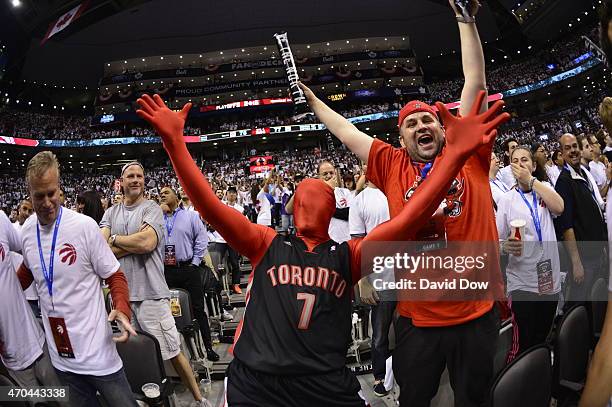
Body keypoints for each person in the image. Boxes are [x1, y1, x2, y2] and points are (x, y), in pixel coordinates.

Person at [135, 89, 508, 406]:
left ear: (333, 209)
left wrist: (455, 156)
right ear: (292, 208)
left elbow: (410, 218)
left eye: (321, 193)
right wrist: (173, 145)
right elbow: (209, 206)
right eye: (303, 195)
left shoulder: (345, 253)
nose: (311, 196)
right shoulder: (268, 242)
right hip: (257, 380)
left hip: (324, 380)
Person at [299, 0, 508, 404]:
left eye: (428, 119)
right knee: (414, 399)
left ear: (443, 129)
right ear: (401, 139)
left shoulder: (467, 153)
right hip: (419, 320)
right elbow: (346, 132)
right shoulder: (392, 165)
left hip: (476, 314)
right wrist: (313, 103)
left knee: (476, 400)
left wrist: (466, 21)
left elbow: (474, 81)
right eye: (411, 124)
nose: (421, 126)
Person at [16, 151, 138, 407]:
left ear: (60, 189)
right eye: (40, 196)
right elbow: (27, 273)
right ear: (29, 194)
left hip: (99, 357)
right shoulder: (27, 232)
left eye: (52, 193)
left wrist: (122, 310)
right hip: (61, 362)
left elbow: (115, 275)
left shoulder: (84, 227)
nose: (48, 202)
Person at [100, 161, 210, 406]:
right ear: (121, 180)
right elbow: (101, 249)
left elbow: (147, 243)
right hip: (123, 299)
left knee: (171, 352)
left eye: (140, 175)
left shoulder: (152, 208)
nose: (136, 179)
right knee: (135, 358)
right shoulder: (110, 213)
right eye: (131, 176)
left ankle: (199, 399)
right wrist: (131, 244)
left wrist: (117, 240)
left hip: (152, 294)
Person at [496, 147, 564, 354]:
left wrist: (531, 181)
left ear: (534, 166)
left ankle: (540, 377)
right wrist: (504, 246)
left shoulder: (543, 188)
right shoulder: (507, 200)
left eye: (525, 160)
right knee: (525, 343)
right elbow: (496, 239)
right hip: (522, 283)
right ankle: (524, 383)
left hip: (548, 279)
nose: (520, 164)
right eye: (515, 161)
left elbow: (560, 207)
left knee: (542, 336)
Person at [0, 209, 66, 406]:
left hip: (36, 340)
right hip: (11, 358)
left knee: (63, 397)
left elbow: (28, 248)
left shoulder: (0, 219)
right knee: (36, 404)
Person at [159, 186, 219, 362]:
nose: (162, 195)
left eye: (166, 193)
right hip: (166, 270)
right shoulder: (156, 218)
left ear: (176, 197)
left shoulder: (191, 216)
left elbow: (201, 240)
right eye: (160, 194)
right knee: (169, 312)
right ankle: (177, 353)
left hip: (188, 269)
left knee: (198, 309)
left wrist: (193, 264)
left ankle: (208, 347)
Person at [349, 180, 394, 397]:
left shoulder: (398, 189)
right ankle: (379, 377)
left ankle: (404, 375)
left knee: (410, 331)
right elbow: (357, 244)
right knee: (379, 335)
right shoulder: (360, 200)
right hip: (379, 277)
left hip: (407, 274)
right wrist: (363, 279)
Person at [555, 134, 607, 304]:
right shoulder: (563, 182)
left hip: (597, 250)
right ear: (561, 153)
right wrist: (576, 262)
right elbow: (567, 225)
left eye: (575, 146)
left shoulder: (582, 172)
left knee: (598, 299)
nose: (573, 151)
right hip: (584, 257)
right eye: (567, 148)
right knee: (582, 302)